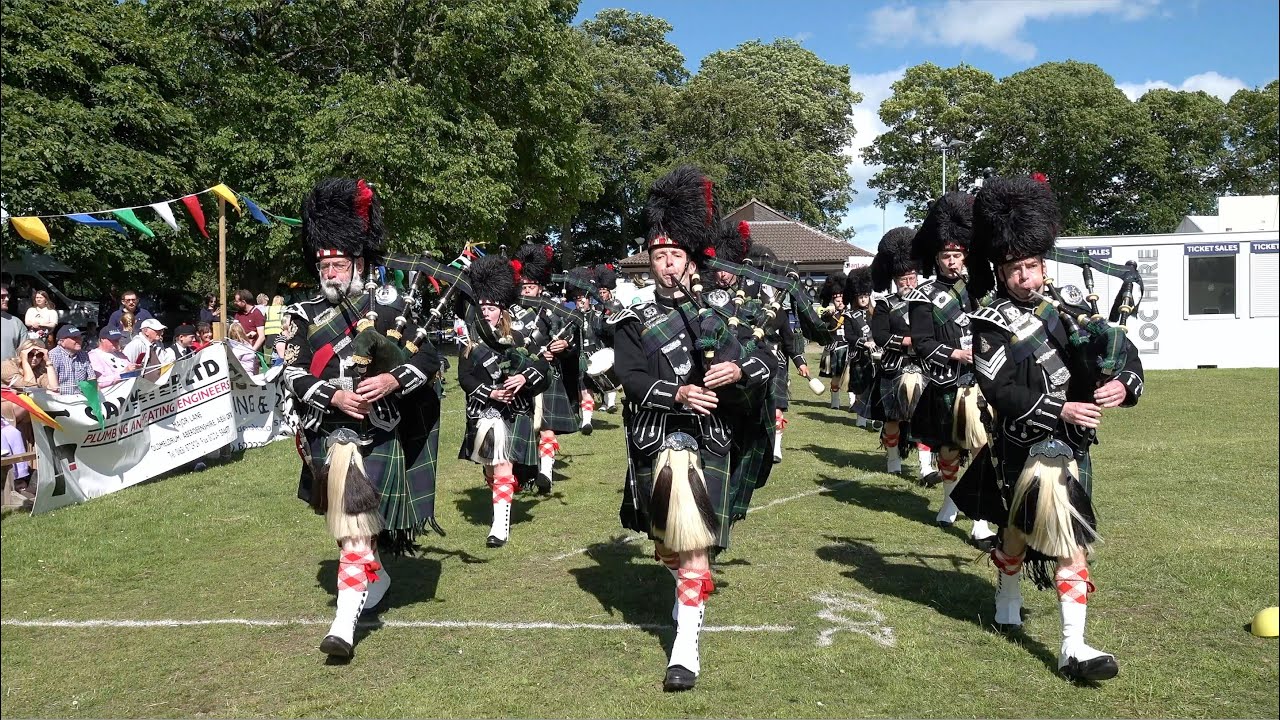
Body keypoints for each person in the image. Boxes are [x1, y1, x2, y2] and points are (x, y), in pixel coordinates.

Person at [952, 175, 1145, 682]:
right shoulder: (989, 321)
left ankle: (1054, 629)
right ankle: (1040, 620)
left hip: (1072, 446)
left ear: (1043, 262)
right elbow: (1000, 389)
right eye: (1016, 269)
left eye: (1032, 266)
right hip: (1022, 446)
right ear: (1000, 270)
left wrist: (1122, 383)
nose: (1026, 277)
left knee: (1046, 537)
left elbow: (1123, 355)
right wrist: (1060, 409)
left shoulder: (1068, 305)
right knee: (1040, 538)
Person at [610, 166, 773, 692]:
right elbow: (630, 377)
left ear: (691, 258)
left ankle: (685, 646)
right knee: (670, 546)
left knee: (696, 546)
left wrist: (738, 370)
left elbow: (765, 363)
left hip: (711, 442)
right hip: (657, 440)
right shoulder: (632, 318)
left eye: (675, 255)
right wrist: (677, 392)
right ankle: (688, 587)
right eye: (658, 256)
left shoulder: (723, 313)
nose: (666, 265)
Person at [280, 177, 444, 660]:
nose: (330, 272)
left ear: (359, 260)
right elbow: (286, 370)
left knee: (353, 530)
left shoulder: (392, 305)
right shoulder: (302, 313)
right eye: (323, 263)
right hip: (327, 434)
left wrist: (394, 380)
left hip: (380, 433)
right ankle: (378, 576)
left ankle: (343, 625)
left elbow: (430, 356)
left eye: (338, 263)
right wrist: (330, 394)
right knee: (351, 528)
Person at [906, 192, 998, 549]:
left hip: (980, 381)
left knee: (980, 447)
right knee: (947, 450)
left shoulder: (980, 291)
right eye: (946, 255)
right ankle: (949, 498)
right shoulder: (923, 295)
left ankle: (980, 519)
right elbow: (923, 342)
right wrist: (956, 353)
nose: (952, 262)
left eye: (958, 255)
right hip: (944, 379)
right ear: (937, 258)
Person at [456, 254, 551, 547]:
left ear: (502, 309)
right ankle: (501, 498)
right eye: (481, 306)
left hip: (514, 411)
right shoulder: (470, 340)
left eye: (490, 307)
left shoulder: (521, 336)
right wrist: (491, 392)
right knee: (490, 466)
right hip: (483, 409)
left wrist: (523, 379)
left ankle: (499, 525)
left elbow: (542, 368)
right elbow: (465, 378)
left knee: (502, 464)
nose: (485, 312)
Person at [510, 242, 579, 494]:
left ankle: (546, 472)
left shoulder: (552, 309)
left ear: (540, 286)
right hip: (518, 374)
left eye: (531, 285)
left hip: (548, 373)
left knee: (547, 426)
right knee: (523, 425)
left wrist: (563, 345)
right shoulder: (510, 308)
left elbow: (569, 339)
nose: (527, 289)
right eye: (524, 285)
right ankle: (522, 471)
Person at [865, 228, 927, 476]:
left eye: (912, 277)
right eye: (903, 279)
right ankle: (893, 460)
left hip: (924, 366)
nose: (908, 283)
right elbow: (880, 336)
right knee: (892, 418)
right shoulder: (885, 304)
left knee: (924, 418)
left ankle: (925, 466)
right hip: (894, 365)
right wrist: (908, 341)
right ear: (895, 280)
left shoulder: (928, 302)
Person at [744, 244, 809, 464]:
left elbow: (789, 338)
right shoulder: (745, 305)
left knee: (777, 410)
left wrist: (799, 361)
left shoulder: (779, 308)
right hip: (751, 360)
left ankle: (776, 449)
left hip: (778, 363)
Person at [842, 267, 877, 428]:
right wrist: (864, 343)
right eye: (860, 297)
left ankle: (874, 415)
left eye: (865, 296)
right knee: (859, 387)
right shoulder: (849, 315)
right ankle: (861, 417)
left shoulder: (875, 313)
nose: (863, 299)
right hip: (858, 355)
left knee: (874, 386)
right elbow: (849, 336)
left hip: (875, 356)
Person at [817, 273, 848, 410]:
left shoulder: (852, 312)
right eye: (837, 301)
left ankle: (853, 403)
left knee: (850, 377)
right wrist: (828, 314)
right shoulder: (829, 313)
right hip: (835, 348)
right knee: (835, 377)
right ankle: (835, 401)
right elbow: (823, 322)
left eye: (842, 300)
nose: (840, 302)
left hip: (849, 348)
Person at [49, 325, 95, 395]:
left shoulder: (84, 354)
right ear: (62, 342)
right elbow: (52, 386)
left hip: (82, 398)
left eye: (80, 337)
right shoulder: (53, 355)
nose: (79, 340)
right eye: (75, 338)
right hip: (62, 400)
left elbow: (92, 378)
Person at [1, 285, 29, 364]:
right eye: (2, 296)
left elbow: (25, 350)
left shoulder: (16, 322)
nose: (7, 299)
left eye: (7, 296)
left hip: (10, 373)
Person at [264, 295, 285, 361]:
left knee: (268, 349)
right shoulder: (283, 308)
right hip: (279, 331)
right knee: (279, 350)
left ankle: (267, 363)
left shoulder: (267, 309)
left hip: (268, 331)